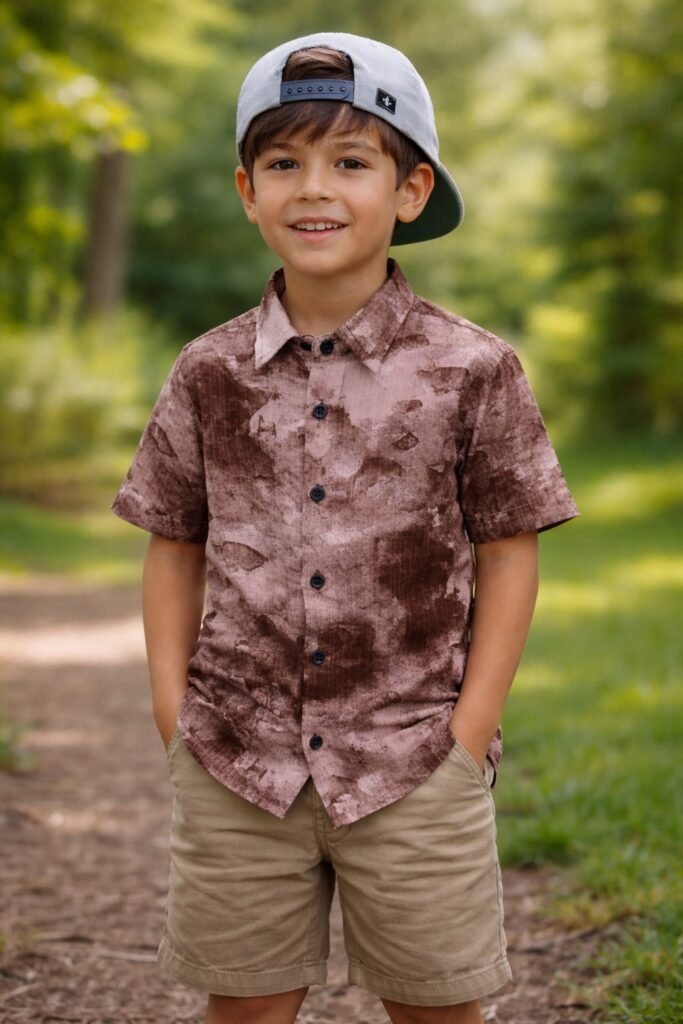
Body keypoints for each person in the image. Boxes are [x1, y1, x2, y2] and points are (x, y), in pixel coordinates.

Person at [111, 30, 579, 1024]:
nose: (313, 189)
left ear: (410, 190)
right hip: (236, 762)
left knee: (436, 1008)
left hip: (413, 762)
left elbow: (508, 552)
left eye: (350, 162)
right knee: (244, 1008)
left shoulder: (472, 369)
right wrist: (172, 714)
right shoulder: (207, 371)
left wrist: (467, 735)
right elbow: (173, 544)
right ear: (247, 192)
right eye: (283, 164)